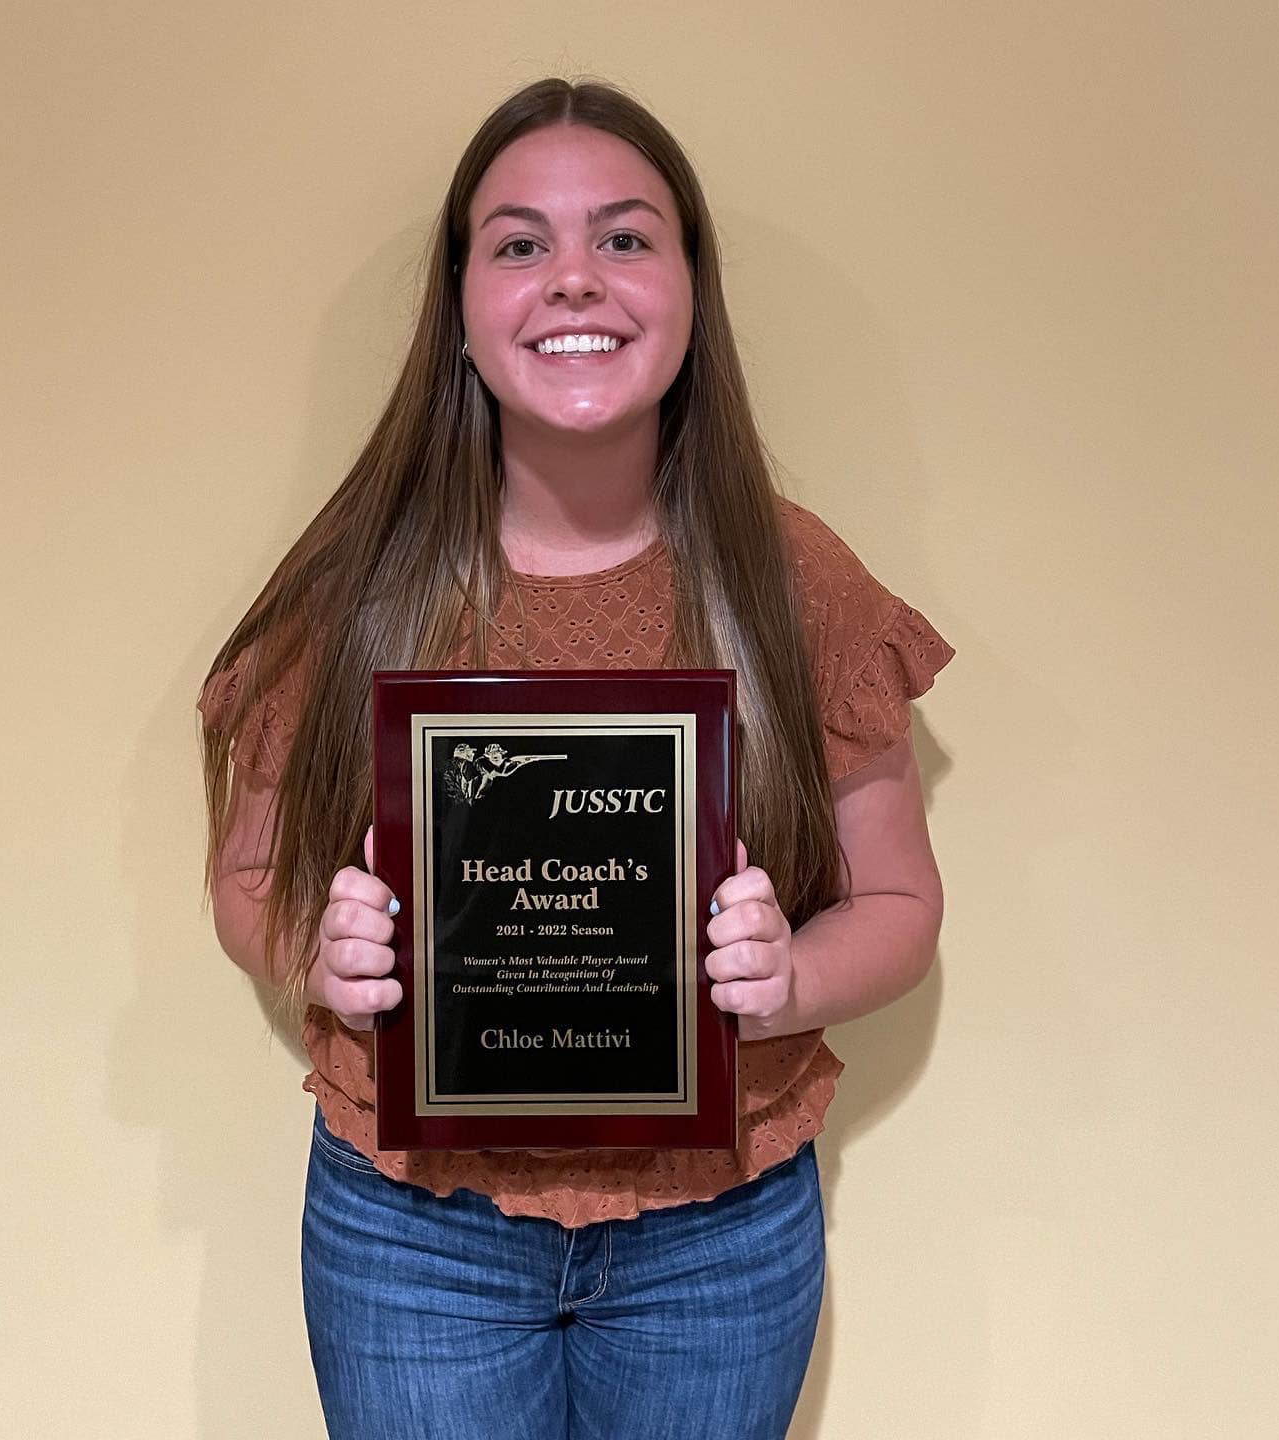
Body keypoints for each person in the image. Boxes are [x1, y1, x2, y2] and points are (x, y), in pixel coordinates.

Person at [198, 76, 953, 1440]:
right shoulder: (354, 583)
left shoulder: (794, 580)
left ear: (688, 283)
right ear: (463, 308)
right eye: (519, 243)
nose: (573, 280)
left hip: (717, 1239)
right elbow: (250, 880)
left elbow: (901, 909)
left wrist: (787, 982)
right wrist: (320, 952)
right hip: (411, 1235)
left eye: (624, 236)